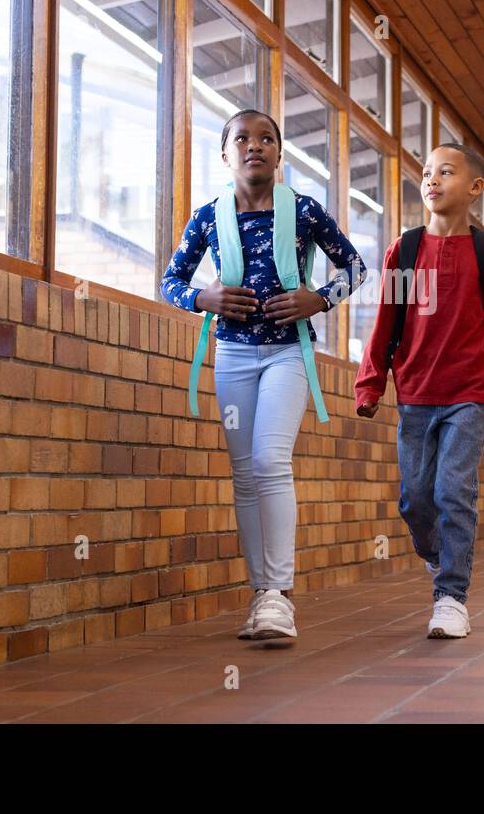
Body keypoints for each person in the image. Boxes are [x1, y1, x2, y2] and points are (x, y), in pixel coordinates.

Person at [161, 109, 366, 642]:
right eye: (243, 138)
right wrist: (202, 297)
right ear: (225, 153)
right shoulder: (208, 217)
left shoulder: (302, 211)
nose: (255, 145)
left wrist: (318, 298)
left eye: (267, 138)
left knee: (271, 461)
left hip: (286, 354)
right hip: (232, 355)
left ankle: (279, 596)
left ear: (279, 153)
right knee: (245, 473)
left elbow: (356, 267)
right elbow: (171, 281)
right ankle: (260, 596)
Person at [355, 143, 484, 639]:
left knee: (454, 492)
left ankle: (451, 596)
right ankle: (438, 555)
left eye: (445, 172)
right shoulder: (404, 251)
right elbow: (385, 325)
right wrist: (371, 384)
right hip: (415, 394)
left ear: (474, 188)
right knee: (415, 500)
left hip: (469, 394)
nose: (431, 180)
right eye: (427, 172)